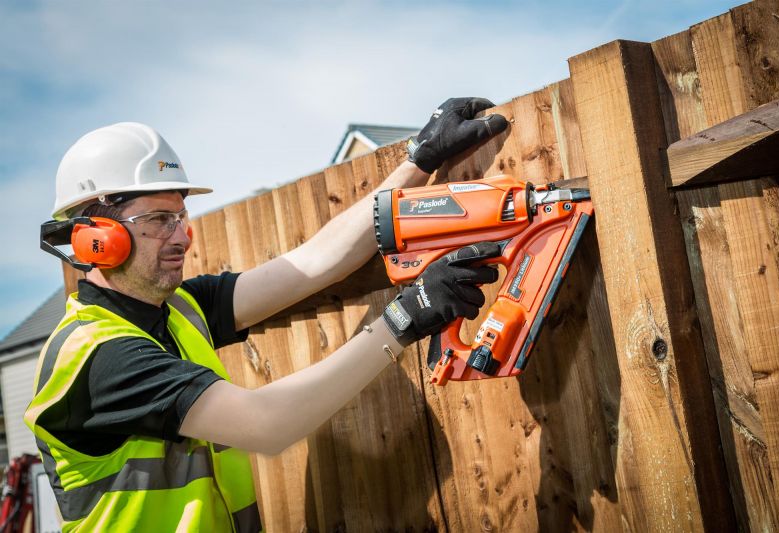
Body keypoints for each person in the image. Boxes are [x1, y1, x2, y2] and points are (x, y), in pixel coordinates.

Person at [26, 98, 508, 532]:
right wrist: (404, 321)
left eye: (181, 217)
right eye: (158, 220)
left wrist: (418, 161)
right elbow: (266, 425)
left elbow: (316, 262)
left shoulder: (178, 310)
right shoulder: (97, 358)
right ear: (95, 238)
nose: (181, 238)